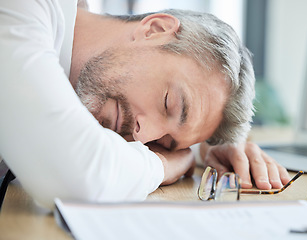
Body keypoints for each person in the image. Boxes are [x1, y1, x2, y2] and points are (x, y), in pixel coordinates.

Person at [0, 0, 290, 209]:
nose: (140, 136)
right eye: (168, 103)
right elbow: (77, 176)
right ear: (154, 29)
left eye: (163, 141)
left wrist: (203, 149)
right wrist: (163, 163)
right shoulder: (27, 9)